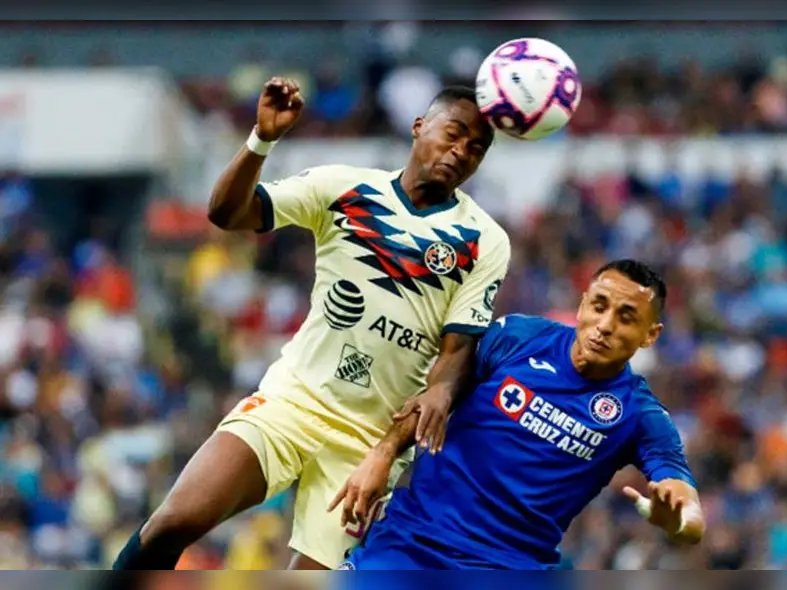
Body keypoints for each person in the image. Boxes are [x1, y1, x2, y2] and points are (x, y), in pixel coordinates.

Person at [111, 77, 511, 571]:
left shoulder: (484, 240)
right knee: (171, 524)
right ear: (418, 125)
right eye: (453, 134)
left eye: (476, 148)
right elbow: (226, 212)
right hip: (292, 402)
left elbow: (456, 356)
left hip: (368, 440)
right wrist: (262, 139)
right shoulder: (343, 187)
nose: (461, 152)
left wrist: (397, 442)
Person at [332, 259, 704, 570]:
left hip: (508, 567)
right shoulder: (519, 337)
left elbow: (689, 511)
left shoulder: (640, 415)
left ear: (650, 335)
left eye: (626, 317)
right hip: (410, 541)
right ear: (582, 305)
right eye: (599, 306)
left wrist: (678, 520)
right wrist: (382, 454)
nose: (605, 325)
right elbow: (439, 396)